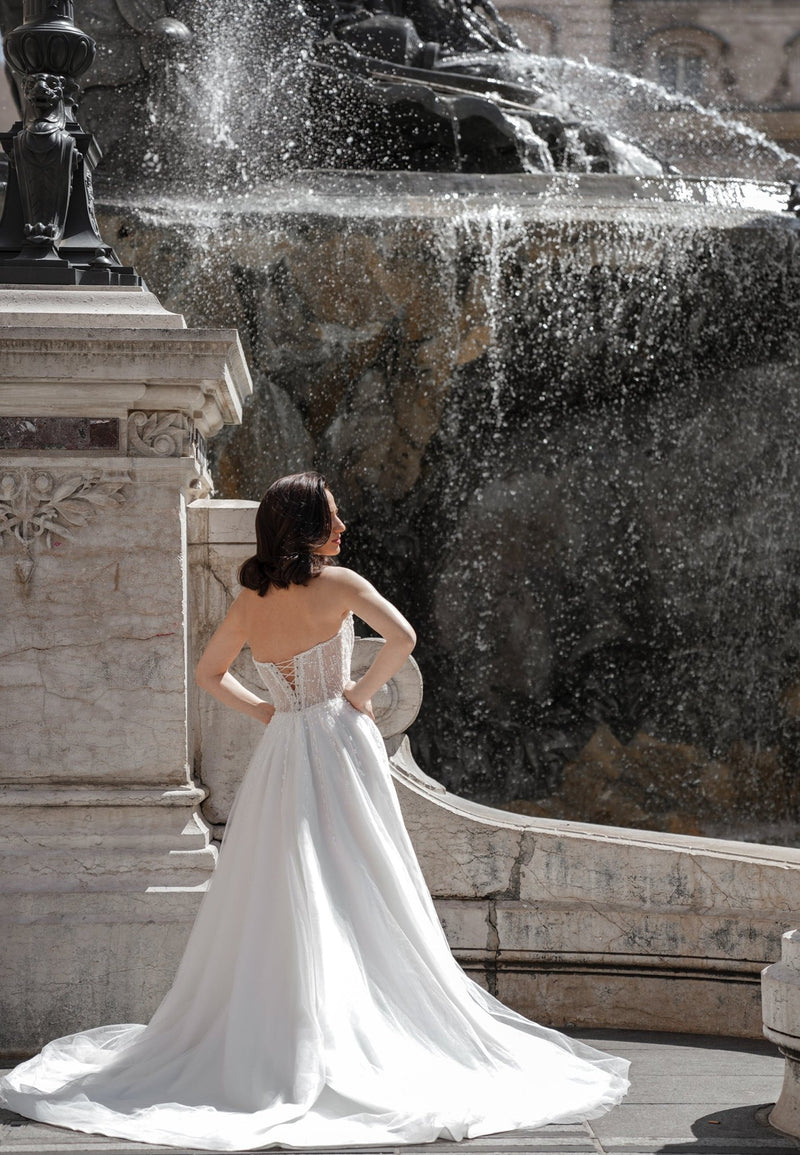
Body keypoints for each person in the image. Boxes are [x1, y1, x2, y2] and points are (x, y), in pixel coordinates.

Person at [0, 471, 629, 1150]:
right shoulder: (342, 585)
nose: (343, 527)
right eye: (332, 517)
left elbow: (210, 674)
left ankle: (295, 1029)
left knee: (285, 884)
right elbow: (404, 638)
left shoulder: (251, 599)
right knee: (361, 877)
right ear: (304, 528)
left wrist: (267, 711)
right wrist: (360, 693)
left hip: (285, 747)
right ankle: (355, 1022)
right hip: (340, 738)